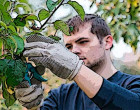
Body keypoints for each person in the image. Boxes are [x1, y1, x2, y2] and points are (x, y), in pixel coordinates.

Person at [15, 14, 140, 110]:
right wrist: (32, 104)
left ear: (107, 42)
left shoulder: (133, 84)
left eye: (83, 42)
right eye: (68, 47)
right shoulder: (61, 96)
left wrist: (76, 69)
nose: (74, 51)